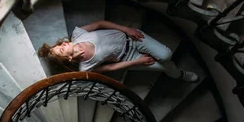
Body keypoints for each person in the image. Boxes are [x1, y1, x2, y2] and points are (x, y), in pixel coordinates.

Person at [37, 20, 199, 81]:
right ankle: (179, 75)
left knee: (167, 55)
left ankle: (170, 67)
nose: (62, 45)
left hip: (131, 38)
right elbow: (109, 68)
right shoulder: (85, 67)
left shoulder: (78, 34)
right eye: (60, 50)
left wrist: (126, 29)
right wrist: (138, 62)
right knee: (165, 66)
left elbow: (100, 23)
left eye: (58, 45)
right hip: (129, 57)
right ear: (68, 59)